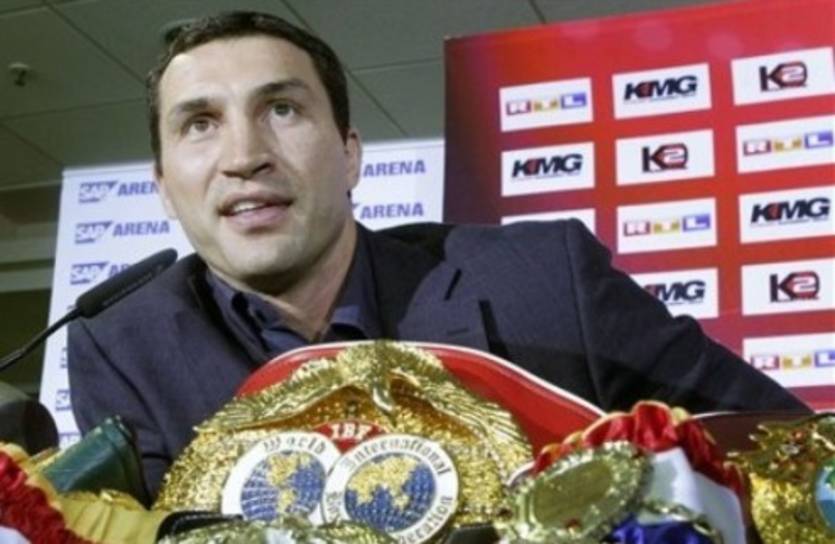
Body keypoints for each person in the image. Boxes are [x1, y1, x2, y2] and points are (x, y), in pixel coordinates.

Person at [68, 11, 808, 500]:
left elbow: (790, 450)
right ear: (164, 188)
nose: (244, 155)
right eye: (200, 123)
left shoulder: (546, 279)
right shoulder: (122, 345)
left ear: (350, 156)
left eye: (282, 109)